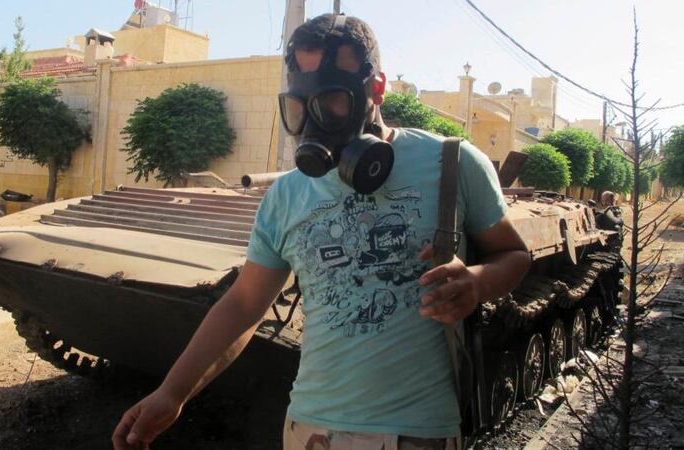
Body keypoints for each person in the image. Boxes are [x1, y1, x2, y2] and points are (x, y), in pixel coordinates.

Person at [113, 14, 531, 450]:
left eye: (332, 100)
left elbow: (514, 256)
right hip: (308, 430)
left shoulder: (453, 163)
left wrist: (478, 284)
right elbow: (243, 303)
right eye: (300, 106)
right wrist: (172, 392)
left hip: (417, 432)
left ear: (376, 88)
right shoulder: (286, 195)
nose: (315, 121)